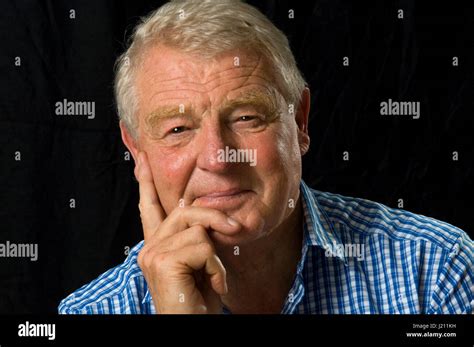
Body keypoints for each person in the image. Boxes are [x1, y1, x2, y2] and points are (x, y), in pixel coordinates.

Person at [59, 0, 473, 314]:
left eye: (245, 116)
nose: (218, 158)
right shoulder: (88, 311)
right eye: (178, 130)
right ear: (137, 151)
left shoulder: (435, 271)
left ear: (300, 122)